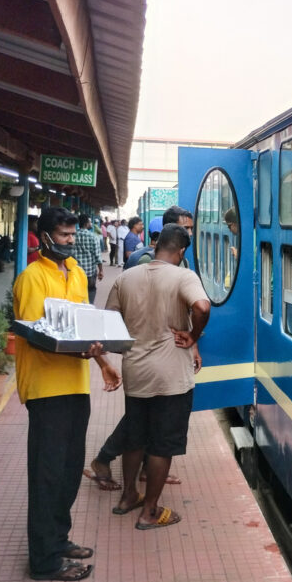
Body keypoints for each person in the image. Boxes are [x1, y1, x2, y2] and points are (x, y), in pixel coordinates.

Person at [13, 207, 121, 581]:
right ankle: (44, 561)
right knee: (47, 473)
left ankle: (58, 540)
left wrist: (103, 362)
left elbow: (85, 327)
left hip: (76, 386)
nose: (70, 242)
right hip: (46, 390)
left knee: (71, 470)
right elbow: (39, 335)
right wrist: (81, 350)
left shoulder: (76, 273)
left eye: (73, 236)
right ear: (44, 237)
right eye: (63, 236)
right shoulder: (31, 278)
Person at [104, 224, 210, 529]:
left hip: (135, 371)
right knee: (163, 444)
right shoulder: (183, 276)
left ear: (156, 245)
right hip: (171, 377)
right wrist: (192, 335)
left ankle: (128, 497)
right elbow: (202, 306)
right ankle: (150, 511)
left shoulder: (126, 277)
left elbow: (111, 320)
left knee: (135, 437)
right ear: (181, 251)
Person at [86, 206, 198, 487]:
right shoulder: (148, 261)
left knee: (143, 419)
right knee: (143, 421)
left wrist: (192, 344)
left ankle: (143, 472)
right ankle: (107, 460)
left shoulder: (171, 264)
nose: (191, 233)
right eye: (187, 228)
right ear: (173, 233)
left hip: (151, 357)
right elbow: (137, 307)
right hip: (152, 356)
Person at [72, 214, 104, 303]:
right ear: (86, 223)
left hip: (76, 271)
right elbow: (98, 256)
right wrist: (101, 270)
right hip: (90, 272)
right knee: (91, 290)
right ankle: (89, 306)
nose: (91, 224)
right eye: (90, 222)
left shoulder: (73, 236)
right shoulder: (93, 236)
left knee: (77, 292)